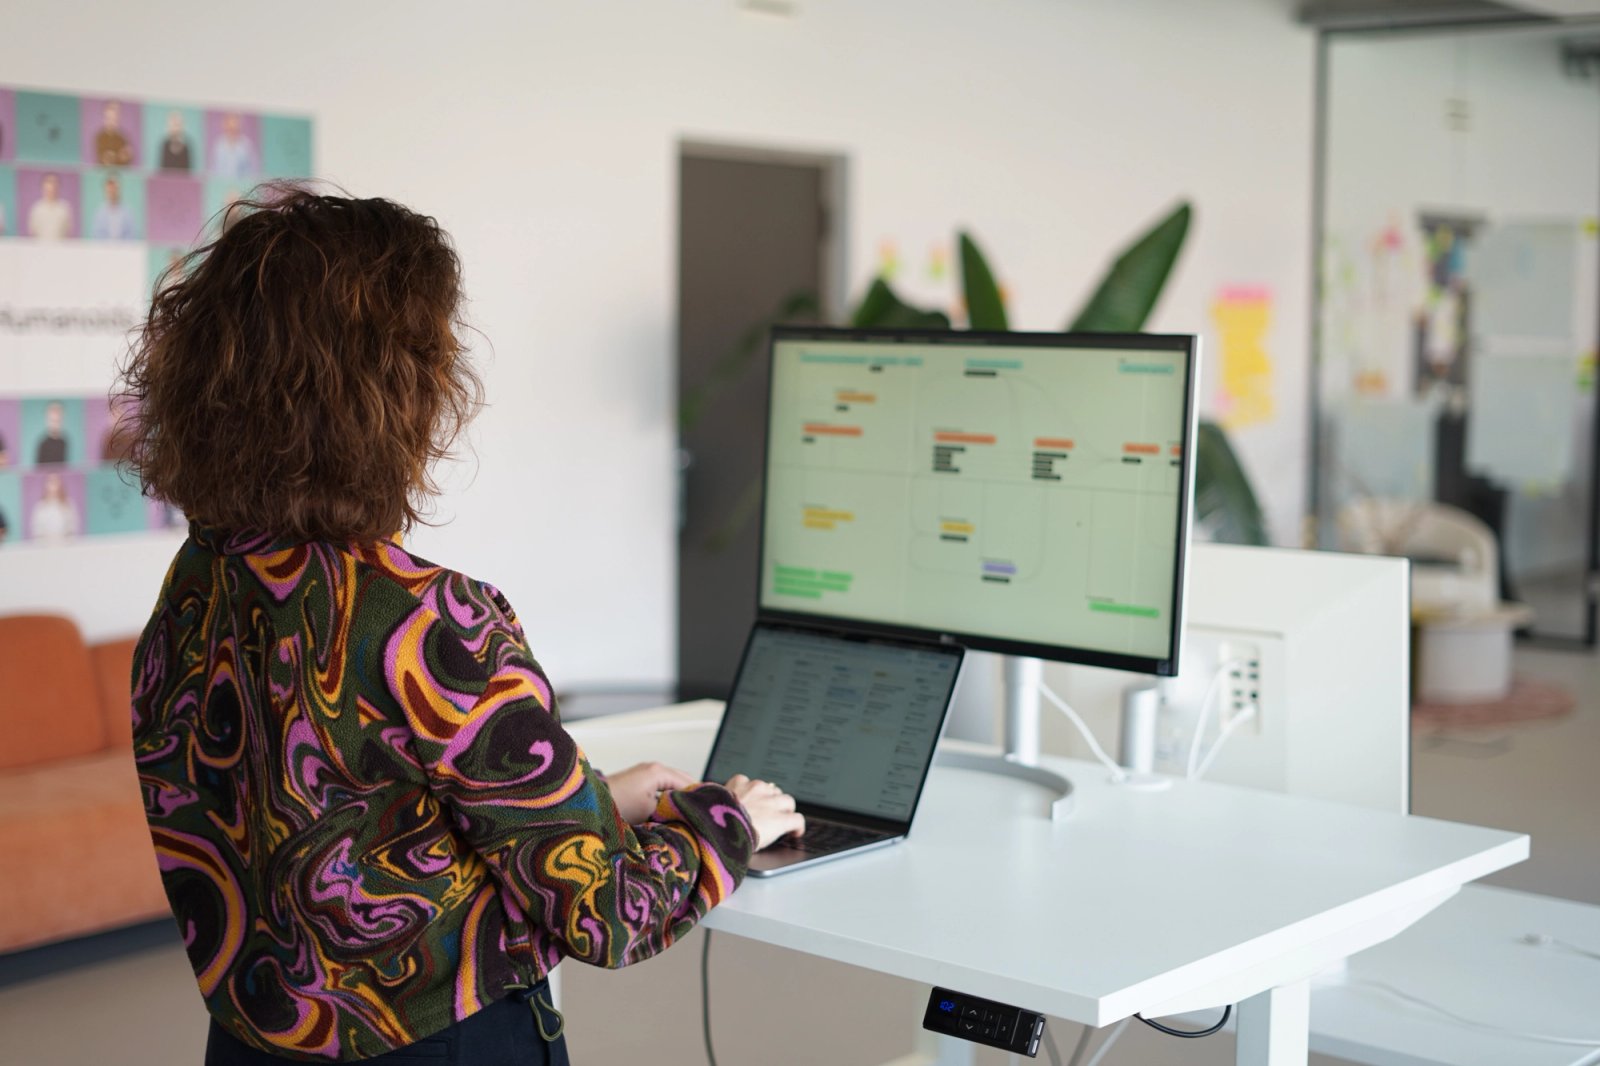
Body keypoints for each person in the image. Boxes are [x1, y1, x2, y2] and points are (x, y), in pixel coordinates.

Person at [116, 187, 804, 1065]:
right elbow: (609, 912)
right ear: (392, 391)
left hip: (251, 1044)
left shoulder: (195, 588)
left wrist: (590, 798)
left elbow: (353, 826)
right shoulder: (431, 622)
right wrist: (724, 821)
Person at [29, 471, 78, 541]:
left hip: (65, 544)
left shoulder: (68, 504)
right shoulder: (40, 506)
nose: (53, 485)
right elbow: (36, 529)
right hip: (45, 546)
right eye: (50, 481)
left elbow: (73, 527)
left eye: (56, 481)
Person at [209, 112, 258, 178]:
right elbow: (213, 169)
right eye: (230, 128)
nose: (232, 131)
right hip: (221, 184)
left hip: (243, 185)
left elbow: (253, 170)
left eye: (234, 129)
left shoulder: (246, 144)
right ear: (225, 126)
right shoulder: (219, 144)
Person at [27, 173, 72, 239]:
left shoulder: (65, 208)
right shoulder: (36, 208)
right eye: (49, 182)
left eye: (55, 182)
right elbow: (32, 232)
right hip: (40, 248)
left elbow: (68, 232)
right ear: (43, 185)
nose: (52, 185)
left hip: (60, 248)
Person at [92, 174, 135, 240]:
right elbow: (96, 236)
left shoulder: (127, 212)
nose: (112, 191)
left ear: (119, 189)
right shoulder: (100, 213)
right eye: (110, 188)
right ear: (105, 190)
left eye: (115, 188)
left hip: (124, 249)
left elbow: (131, 235)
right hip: (104, 249)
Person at [94, 100, 134, 167]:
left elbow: (126, 161)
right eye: (109, 118)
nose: (112, 122)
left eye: (114, 119)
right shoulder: (99, 137)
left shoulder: (122, 138)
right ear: (104, 118)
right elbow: (105, 160)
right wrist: (118, 157)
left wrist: (127, 156)